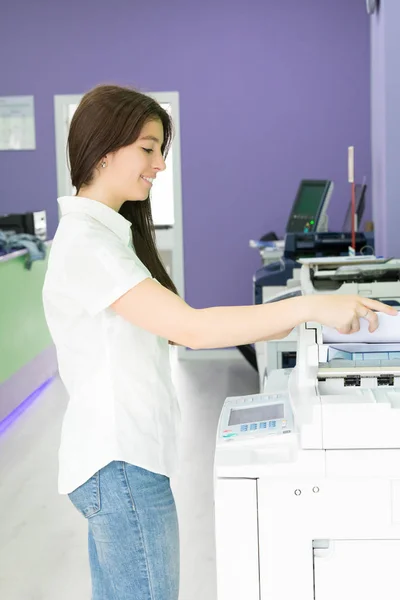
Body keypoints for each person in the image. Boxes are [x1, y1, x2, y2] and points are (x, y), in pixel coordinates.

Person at [42, 84, 397, 600]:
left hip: (118, 463)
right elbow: (189, 328)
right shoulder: (87, 245)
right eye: (148, 148)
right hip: (119, 463)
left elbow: (186, 326)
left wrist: (306, 317)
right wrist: (309, 306)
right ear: (102, 148)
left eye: (161, 149)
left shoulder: (106, 236)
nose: (160, 164)